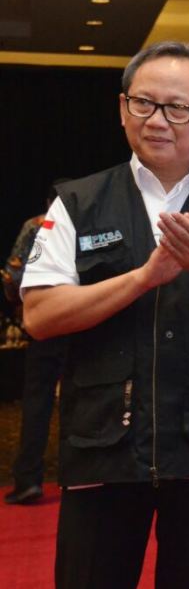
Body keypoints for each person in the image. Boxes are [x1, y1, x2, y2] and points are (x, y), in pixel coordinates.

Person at [20, 41, 189, 589]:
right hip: (104, 442)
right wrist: (142, 278)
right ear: (122, 109)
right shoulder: (77, 201)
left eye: (178, 108)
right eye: (143, 103)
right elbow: (39, 315)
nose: (157, 120)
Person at [3, 181, 70, 506]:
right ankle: (77, 476)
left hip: (46, 323)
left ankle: (29, 479)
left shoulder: (36, 226)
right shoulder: (90, 224)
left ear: (48, 201)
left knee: (37, 402)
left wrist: (19, 303)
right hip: (85, 321)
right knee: (81, 401)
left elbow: (12, 274)